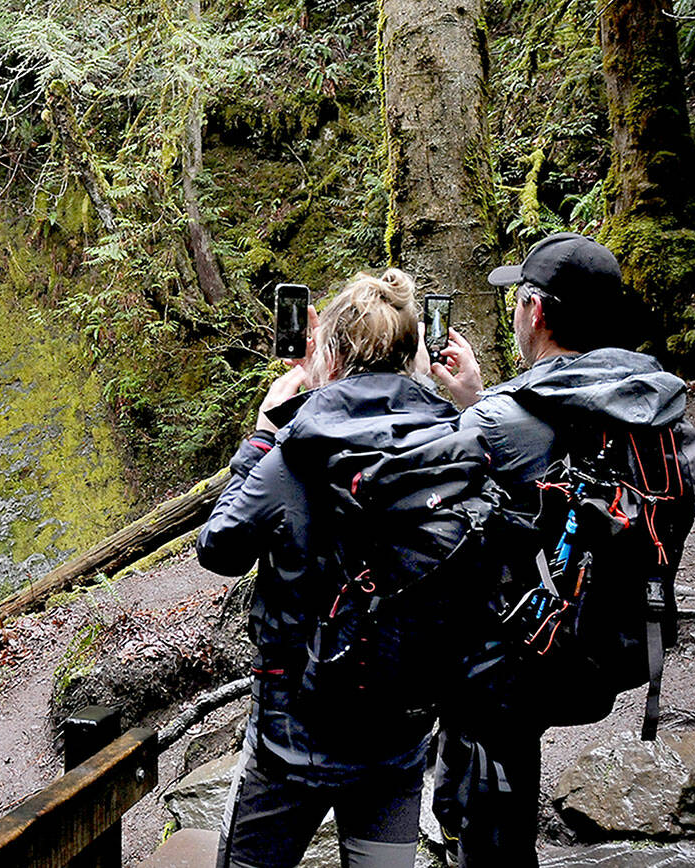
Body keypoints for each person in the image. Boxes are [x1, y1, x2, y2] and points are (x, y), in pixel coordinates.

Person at [197, 269, 495, 868]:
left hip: (291, 740)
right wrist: (475, 404)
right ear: (415, 355)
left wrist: (262, 435)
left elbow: (219, 548)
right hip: (397, 738)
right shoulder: (461, 448)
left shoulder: (294, 456)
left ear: (328, 356)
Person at [429, 232, 695, 867]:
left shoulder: (499, 419)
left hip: (525, 659)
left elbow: (430, 504)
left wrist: (461, 406)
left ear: (536, 310)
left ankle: (474, 844)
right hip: (622, 642)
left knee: (491, 768)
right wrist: (478, 398)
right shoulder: (658, 406)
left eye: (518, 301)